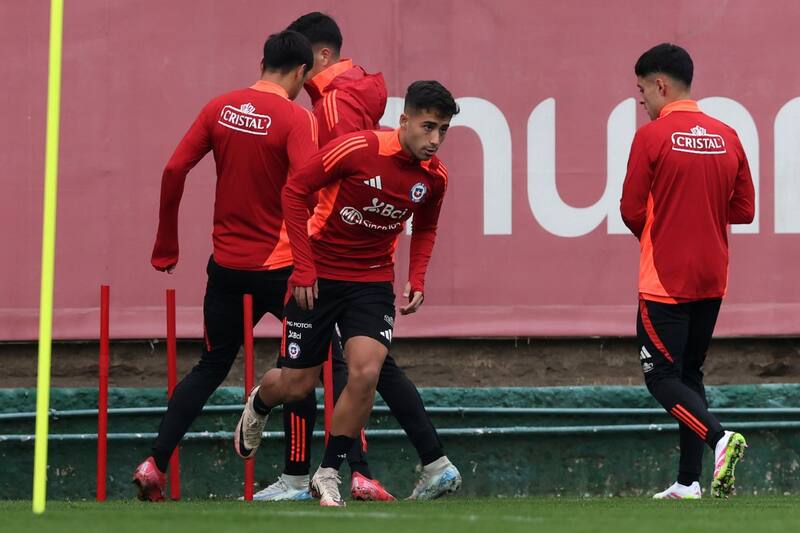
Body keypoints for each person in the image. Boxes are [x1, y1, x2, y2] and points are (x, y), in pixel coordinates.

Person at [252, 11, 460, 503]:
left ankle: (327, 472)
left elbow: (426, 226)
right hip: (319, 274)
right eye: (428, 127)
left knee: (367, 370)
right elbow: (295, 192)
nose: (435, 140)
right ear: (403, 120)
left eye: (444, 131)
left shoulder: (435, 177)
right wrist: (302, 267)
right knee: (297, 383)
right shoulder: (357, 147)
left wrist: (419, 277)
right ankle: (260, 402)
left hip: (371, 280)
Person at [132, 31, 317, 501]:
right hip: (281, 270)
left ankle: (155, 461)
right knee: (302, 368)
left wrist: (165, 243)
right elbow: (306, 190)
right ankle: (296, 479)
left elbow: (174, 169)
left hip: (227, 269)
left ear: (263, 62)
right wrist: (308, 267)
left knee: (211, 364)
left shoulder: (219, 107)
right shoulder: (296, 118)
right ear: (300, 72)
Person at [620, 43, 755, 499]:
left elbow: (630, 209)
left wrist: (664, 231)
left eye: (642, 92)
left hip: (665, 276)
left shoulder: (651, 136)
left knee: (660, 377)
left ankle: (720, 438)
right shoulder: (728, 134)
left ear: (660, 85)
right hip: (713, 274)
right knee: (689, 378)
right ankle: (687, 481)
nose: (642, 102)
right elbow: (744, 209)